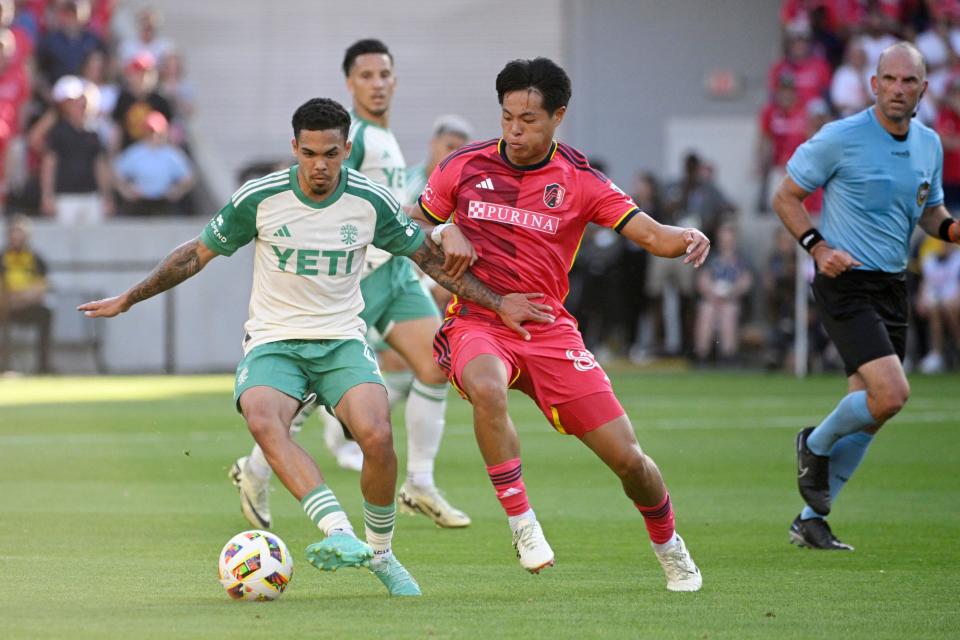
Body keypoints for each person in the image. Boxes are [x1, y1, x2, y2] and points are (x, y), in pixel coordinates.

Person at [78, 97, 552, 596]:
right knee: (263, 420)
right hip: (274, 341)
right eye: (309, 153)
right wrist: (130, 298)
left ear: (347, 148)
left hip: (341, 339)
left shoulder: (369, 202)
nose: (320, 165)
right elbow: (193, 255)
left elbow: (430, 261)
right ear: (294, 148)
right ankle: (339, 532)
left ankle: (383, 554)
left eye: (330, 153)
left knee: (377, 435)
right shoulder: (260, 198)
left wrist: (498, 302)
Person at [413, 57, 710, 591]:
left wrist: (686, 235)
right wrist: (442, 232)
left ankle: (670, 545)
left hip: (549, 331)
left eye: (528, 119)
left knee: (630, 461)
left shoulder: (579, 180)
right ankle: (522, 522)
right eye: (507, 117)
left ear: (558, 117)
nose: (515, 130)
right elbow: (409, 228)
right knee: (486, 386)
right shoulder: (463, 167)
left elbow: (651, 235)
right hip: (479, 320)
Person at [233, 39, 474, 530]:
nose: (377, 83)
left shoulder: (384, 137)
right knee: (301, 392)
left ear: (395, 80)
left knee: (436, 365)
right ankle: (255, 470)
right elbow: (326, 192)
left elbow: (387, 209)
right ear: (350, 84)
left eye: (384, 74)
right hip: (353, 281)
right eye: (366, 76)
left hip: (395, 271)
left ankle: (421, 483)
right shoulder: (355, 138)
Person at [773, 42, 960, 551]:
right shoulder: (842, 137)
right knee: (892, 394)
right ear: (873, 85)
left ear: (924, 90)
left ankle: (810, 520)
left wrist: (952, 230)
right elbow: (784, 195)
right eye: (890, 80)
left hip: (892, 285)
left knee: (873, 409)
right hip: (846, 280)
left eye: (909, 82)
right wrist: (818, 247)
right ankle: (812, 444)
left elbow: (930, 210)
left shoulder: (928, 143)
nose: (899, 89)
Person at [40, 74, 114, 224]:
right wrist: (47, 195)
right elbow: (49, 164)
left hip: (91, 196)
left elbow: (100, 165)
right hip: (65, 197)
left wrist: (106, 196)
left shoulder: (94, 133)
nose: (80, 106)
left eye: (82, 102)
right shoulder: (59, 132)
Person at [113, 110, 194, 216]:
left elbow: (188, 178)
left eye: (158, 132)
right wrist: (126, 191)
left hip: (163, 202)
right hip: (140, 203)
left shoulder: (172, 154)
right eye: (150, 131)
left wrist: (177, 191)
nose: (154, 135)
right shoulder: (135, 152)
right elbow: (116, 174)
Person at [693, 222, 753, 365]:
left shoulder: (741, 260)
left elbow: (746, 282)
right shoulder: (711, 258)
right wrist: (712, 294)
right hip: (712, 300)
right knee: (706, 310)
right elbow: (703, 280)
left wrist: (730, 293)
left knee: (729, 312)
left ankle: (728, 355)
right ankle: (702, 355)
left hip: (731, 300)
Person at [0, 214, 52, 373]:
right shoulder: (2, 258)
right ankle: (4, 367)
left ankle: (42, 367)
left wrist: (17, 298)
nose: (17, 236)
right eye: (14, 232)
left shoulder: (36, 259)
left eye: (20, 232)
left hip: (26, 307)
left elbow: (40, 291)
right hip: (4, 307)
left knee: (46, 313)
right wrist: (12, 298)